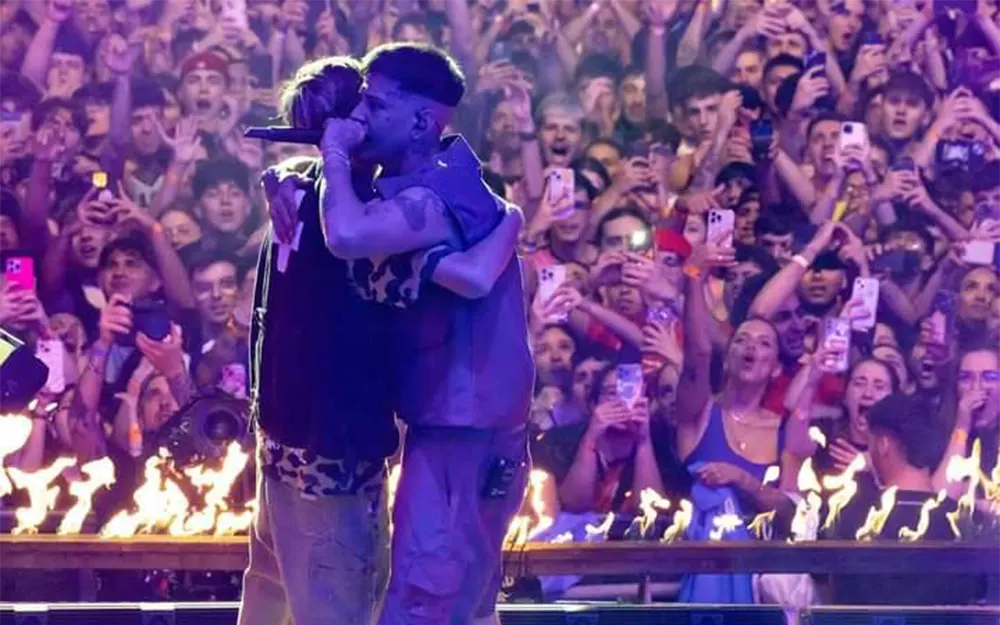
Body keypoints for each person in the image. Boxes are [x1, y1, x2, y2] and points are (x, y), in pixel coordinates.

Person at [318, 43, 533, 625]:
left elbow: (344, 233)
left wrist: (333, 156)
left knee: (424, 602)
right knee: (459, 604)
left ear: (420, 122)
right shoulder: (454, 180)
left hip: (461, 434)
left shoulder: (431, 196)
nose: (359, 117)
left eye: (376, 105)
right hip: (467, 429)